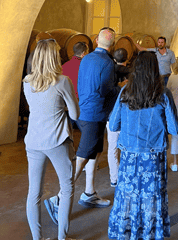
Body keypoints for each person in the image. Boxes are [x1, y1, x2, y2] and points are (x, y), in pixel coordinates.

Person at [44, 28, 120, 219]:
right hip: (94, 113)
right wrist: (120, 90)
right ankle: (59, 198)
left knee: (95, 152)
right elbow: (106, 90)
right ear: (113, 44)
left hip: (84, 111)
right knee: (83, 155)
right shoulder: (108, 63)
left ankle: (89, 193)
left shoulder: (86, 58)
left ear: (96, 40)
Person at [108, 51, 178, 240]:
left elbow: (114, 123)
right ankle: (149, 234)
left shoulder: (125, 92)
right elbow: (174, 128)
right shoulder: (163, 94)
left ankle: (127, 233)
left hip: (129, 157)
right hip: (153, 157)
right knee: (151, 198)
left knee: (128, 197)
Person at [23, 39, 80, 240]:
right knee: (67, 187)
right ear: (54, 58)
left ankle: (37, 239)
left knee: (34, 193)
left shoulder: (27, 82)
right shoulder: (63, 81)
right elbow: (74, 115)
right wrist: (63, 108)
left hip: (34, 141)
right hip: (57, 141)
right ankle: (62, 238)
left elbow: (37, 109)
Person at [107, 48, 130, 188]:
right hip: (127, 116)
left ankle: (114, 178)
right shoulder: (132, 73)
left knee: (113, 148)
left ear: (114, 59)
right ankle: (127, 176)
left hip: (111, 115)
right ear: (127, 58)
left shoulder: (108, 71)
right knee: (127, 147)